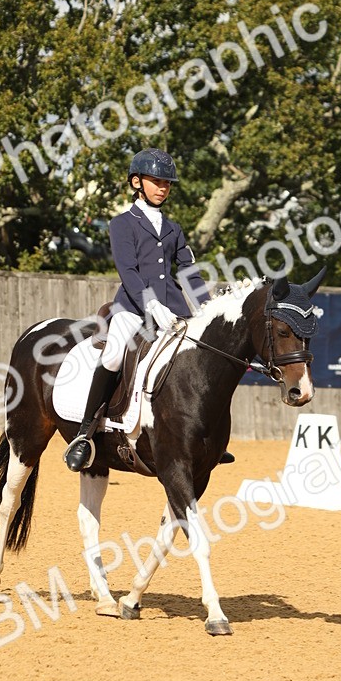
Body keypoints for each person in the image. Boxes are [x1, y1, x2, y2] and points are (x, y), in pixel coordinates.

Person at [63, 147, 213, 472]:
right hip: (133, 308)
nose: (163, 187)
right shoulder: (121, 224)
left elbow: (188, 272)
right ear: (137, 182)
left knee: (198, 361)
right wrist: (151, 304)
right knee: (114, 354)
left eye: (167, 183)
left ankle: (203, 435)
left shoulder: (174, 229)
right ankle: (85, 433)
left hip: (173, 309)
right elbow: (128, 271)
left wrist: (207, 308)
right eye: (156, 181)